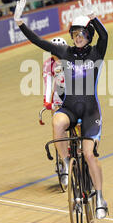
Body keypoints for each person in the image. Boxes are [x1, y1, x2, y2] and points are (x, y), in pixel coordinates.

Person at [15, 0, 109, 220]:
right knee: (57, 121)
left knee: (88, 154)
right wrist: (20, 23)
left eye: (81, 34)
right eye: (74, 34)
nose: (77, 38)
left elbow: (106, 35)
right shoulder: (64, 52)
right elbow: (38, 42)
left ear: (88, 35)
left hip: (89, 112)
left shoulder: (97, 52)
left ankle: (100, 197)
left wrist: (93, 15)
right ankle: (66, 162)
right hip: (69, 109)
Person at [43, 37, 68, 185]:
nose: (55, 53)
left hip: (73, 96)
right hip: (58, 97)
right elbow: (48, 84)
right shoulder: (48, 64)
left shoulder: (72, 58)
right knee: (58, 128)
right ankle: (63, 164)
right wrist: (47, 101)